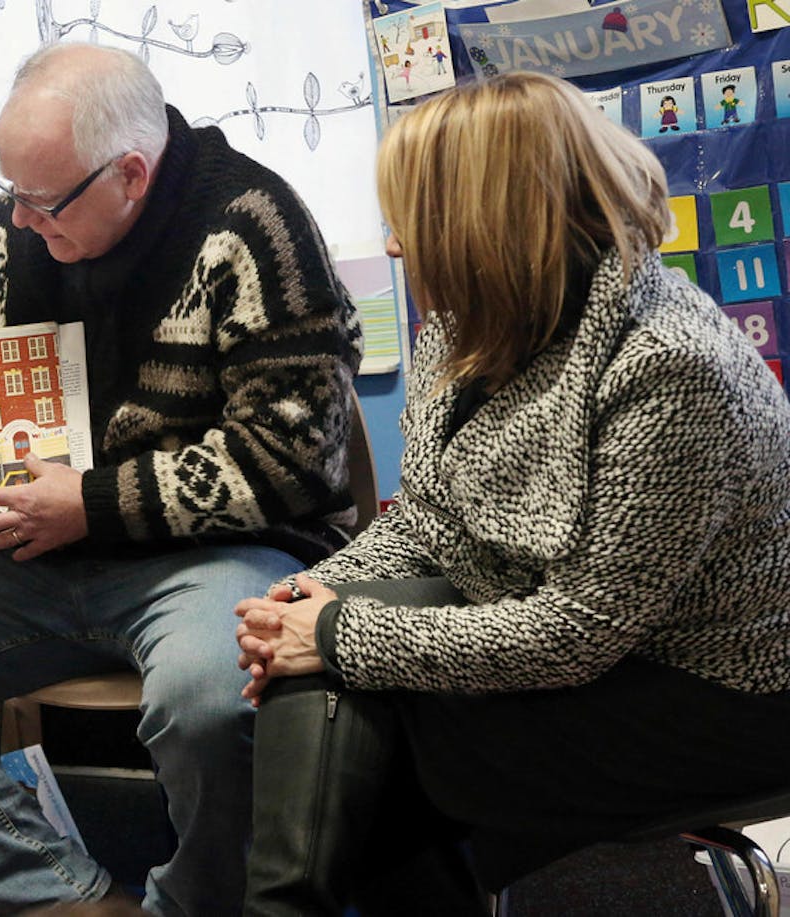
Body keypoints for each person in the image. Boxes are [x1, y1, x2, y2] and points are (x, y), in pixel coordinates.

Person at [0, 42, 362, 915]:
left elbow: (294, 462)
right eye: (8, 187)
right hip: (49, 555)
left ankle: (198, 903)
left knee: (210, 702)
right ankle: (64, 899)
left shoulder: (253, 225)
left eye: (41, 200)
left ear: (131, 175)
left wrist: (93, 504)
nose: (18, 219)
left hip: (223, 551)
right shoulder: (11, 230)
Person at [235, 71, 790, 916]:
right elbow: (425, 519)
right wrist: (309, 600)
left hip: (721, 692)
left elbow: (580, 632)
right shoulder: (468, 325)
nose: (393, 246)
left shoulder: (672, 367)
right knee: (336, 693)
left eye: (409, 220)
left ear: (485, 225)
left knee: (377, 738)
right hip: (577, 631)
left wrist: (341, 632)